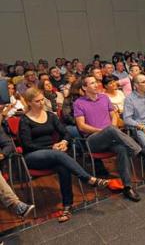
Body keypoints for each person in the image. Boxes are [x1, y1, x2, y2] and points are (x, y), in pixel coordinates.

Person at [19, 88, 108, 222]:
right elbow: (27, 144)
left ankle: (67, 206)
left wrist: (64, 141)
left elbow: (66, 132)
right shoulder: (25, 120)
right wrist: (51, 147)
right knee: (58, 155)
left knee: (63, 166)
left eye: (42, 99)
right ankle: (88, 178)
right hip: (33, 155)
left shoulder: (50, 115)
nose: (41, 103)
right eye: (37, 101)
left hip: (53, 153)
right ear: (29, 103)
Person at [74, 75, 145, 202]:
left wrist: (111, 128)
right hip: (93, 139)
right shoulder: (79, 103)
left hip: (111, 137)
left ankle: (128, 187)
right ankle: (140, 151)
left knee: (122, 149)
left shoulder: (104, 97)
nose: (96, 85)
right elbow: (81, 126)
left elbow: (114, 115)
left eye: (96, 82)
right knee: (111, 130)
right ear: (84, 87)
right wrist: (105, 131)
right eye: (92, 83)